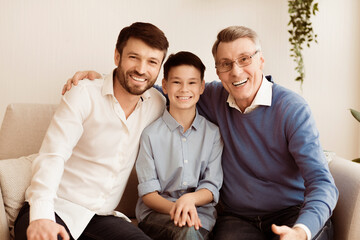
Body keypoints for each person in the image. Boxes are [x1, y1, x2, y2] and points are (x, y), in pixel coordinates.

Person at [63, 25, 338, 240]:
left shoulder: (291, 109)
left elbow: (322, 183)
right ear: (217, 71)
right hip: (237, 218)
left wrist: (302, 230)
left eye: (245, 59)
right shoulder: (214, 95)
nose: (236, 71)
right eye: (226, 63)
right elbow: (160, 91)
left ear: (261, 61)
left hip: (291, 212)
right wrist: (102, 81)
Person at [14, 22, 169, 240]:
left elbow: (189, 91)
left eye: (152, 62)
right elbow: (53, 155)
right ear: (117, 57)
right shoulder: (83, 94)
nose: (142, 69)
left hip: (102, 217)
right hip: (56, 208)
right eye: (133, 57)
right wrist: (42, 215)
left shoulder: (158, 103)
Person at [135, 51, 223, 240]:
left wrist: (189, 200)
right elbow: (148, 193)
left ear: (201, 87)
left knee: (191, 229)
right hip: (157, 216)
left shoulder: (213, 134)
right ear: (165, 86)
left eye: (192, 83)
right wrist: (178, 208)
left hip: (201, 218)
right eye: (176, 82)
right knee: (187, 231)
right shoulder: (150, 134)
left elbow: (211, 185)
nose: (184, 89)